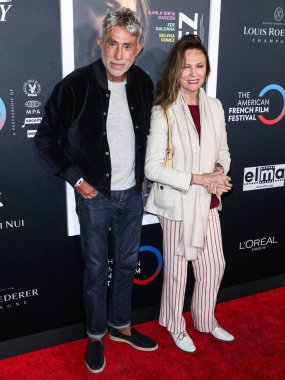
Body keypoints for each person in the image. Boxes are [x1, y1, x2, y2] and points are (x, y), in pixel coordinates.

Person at [35, 7, 157, 374]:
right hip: (95, 196)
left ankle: (121, 325)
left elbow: (149, 135)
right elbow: (46, 138)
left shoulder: (144, 83)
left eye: (127, 47)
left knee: (125, 264)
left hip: (133, 196)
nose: (118, 55)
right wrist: (77, 179)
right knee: (94, 269)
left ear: (137, 49)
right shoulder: (75, 85)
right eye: (112, 45)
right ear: (101, 44)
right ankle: (95, 335)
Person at [144, 34, 234, 353]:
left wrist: (219, 174)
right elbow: (152, 169)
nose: (194, 73)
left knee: (214, 265)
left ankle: (205, 320)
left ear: (207, 68)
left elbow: (223, 151)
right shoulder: (164, 108)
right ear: (175, 70)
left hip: (207, 204)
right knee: (179, 273)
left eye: (199, 66)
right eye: (186, 67)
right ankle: (175, 325)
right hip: (178, 204)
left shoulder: (214, 106)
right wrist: (200, 178)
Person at [74, 0, 149, 68]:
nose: (120, 31)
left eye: (130, 20)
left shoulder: (143, 81)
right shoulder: (70, 81)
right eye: (107, 10)